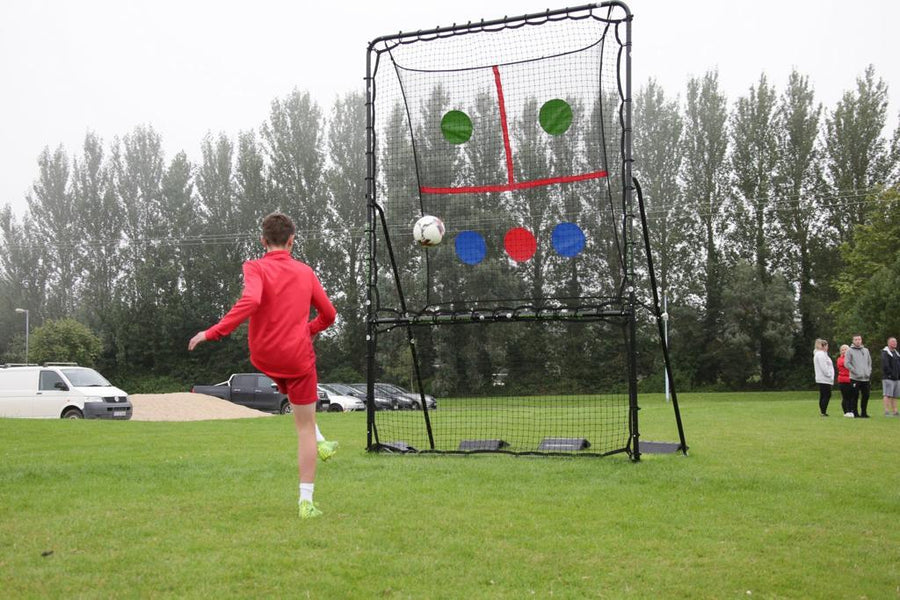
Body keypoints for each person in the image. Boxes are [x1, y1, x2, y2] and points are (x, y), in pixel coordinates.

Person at [188, 212, 337, 519]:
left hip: (264, 356)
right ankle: (306, 502)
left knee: (296, 400)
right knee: (304, 428)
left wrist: (212, 332)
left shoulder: (254, 267)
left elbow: (252, 300)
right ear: (292, 241)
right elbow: (329, 315)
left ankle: (322, 442)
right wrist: (307, 330)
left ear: (263, 241)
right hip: (296, 357)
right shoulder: (305, 272)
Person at [844, 334, 872, 418]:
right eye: (856, 339)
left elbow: (869, 362)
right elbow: (847, 363)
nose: (858, 341)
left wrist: (868, 372)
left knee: (866, 395)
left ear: (861, 340)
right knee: (855, 396)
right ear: (853, 341)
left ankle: (864, 412)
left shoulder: (866, 350)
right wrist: (855, 371)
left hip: (865, 378)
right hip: (855, 378)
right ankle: (855, 413)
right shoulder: (849, 351)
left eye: (859, 339)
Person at [813, 339, 834, 416]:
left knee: (823, 395)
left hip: (823, 378)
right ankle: (823, 411)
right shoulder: (821, 354)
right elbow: (824, 367)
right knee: (827, 394)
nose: (827, 347)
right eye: (826, 346)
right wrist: (829, 374)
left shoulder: (821, 354)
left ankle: (823, 411)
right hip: (824, 378)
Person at [881, 337, 900, 417]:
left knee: (895, 395)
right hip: (888, 378)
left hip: (897, 378)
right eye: (892, 342)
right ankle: (887, 411)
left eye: (895, 341)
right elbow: (885, 366)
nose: (895, 343)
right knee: (887, 394)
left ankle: (895, 411)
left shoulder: (896, 353)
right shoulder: (885, 353)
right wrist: (891, 374)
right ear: (888, 343)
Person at [836, 344, 854, 417]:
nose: (844, 351)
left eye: (845, 349)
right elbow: (846, 365)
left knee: (852, 396)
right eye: (842, 350)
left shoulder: (851, 358)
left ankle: (851, 411)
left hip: (851, 379)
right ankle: (846, 411)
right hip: (843, 380)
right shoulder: (840, 359)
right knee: (846, 397)